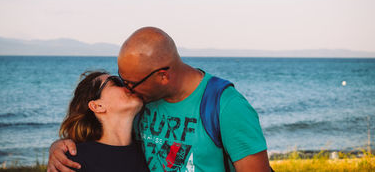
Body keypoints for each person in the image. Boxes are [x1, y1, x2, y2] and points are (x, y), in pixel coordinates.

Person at [48, 27, 271, 172]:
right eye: (121, 79)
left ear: (162, 76)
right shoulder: (143, 104)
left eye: (131, 83)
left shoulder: (226, 106)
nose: (128, 88)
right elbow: (106, 141)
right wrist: (59, 147)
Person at [57, 70, 149, 172]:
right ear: (97, 106)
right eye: (117, 82)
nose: (129, 85)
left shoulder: (151, 150)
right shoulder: (73, 162)